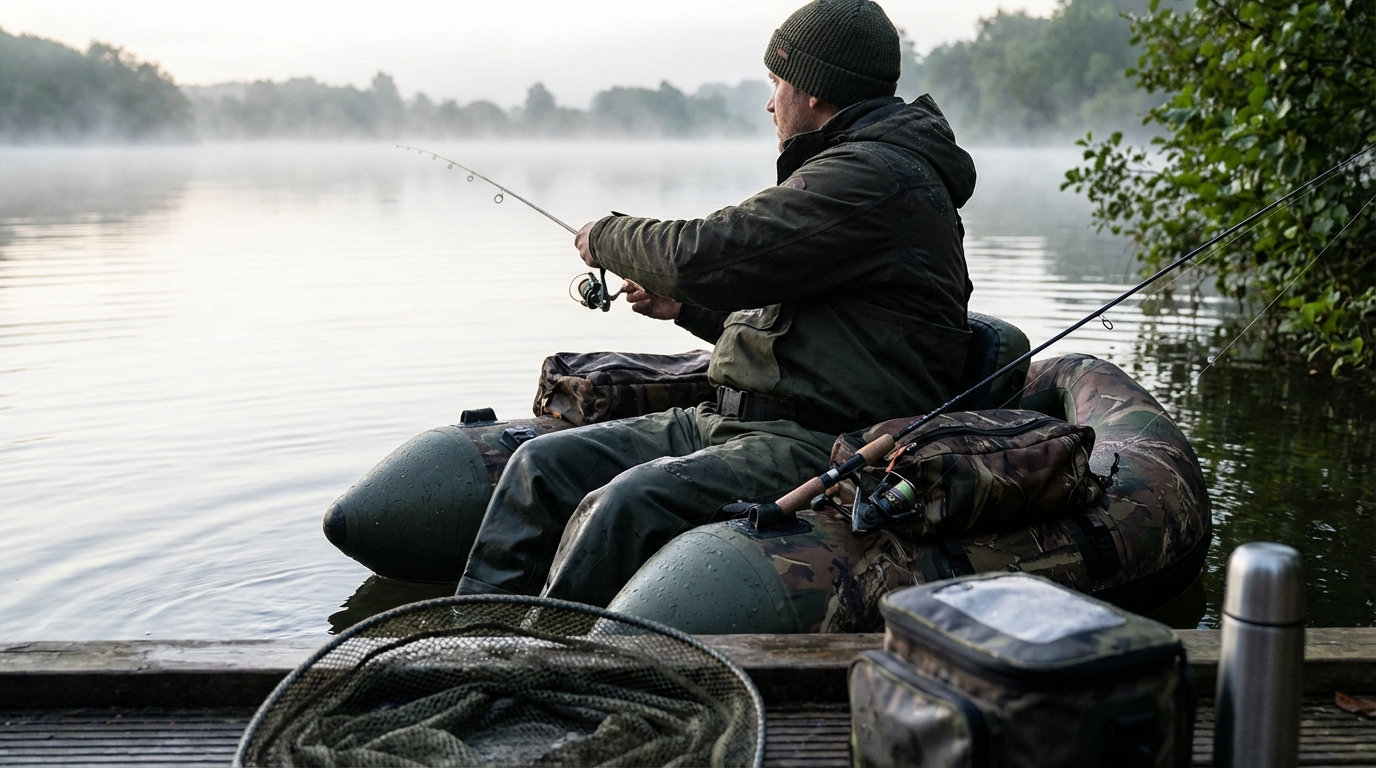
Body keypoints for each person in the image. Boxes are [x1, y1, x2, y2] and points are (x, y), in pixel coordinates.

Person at [457, 0, 976, 607]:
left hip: (819, 441)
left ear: (813, 90)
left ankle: (551, 653)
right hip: (729, 420)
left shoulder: (871, 179)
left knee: (625, 504)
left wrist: (606, 236)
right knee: (539, 467)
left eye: (775, 82)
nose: (769, 103)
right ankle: (471, 635)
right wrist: (687, 310)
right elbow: (802, 321)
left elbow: (705, 255)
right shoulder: (853, 170)